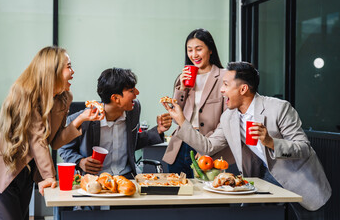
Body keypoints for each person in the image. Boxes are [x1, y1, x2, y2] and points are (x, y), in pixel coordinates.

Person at [163, 62, 331, 219]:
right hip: (266, 182)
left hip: (300, 181)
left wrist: (271, 142)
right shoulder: (229, 117)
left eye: (226, 85)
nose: (221, 90)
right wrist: (182, 121)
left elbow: (303, 148)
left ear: (243, 89)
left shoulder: (279, 108)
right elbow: (208, 146)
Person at [0, 46, 103, 220]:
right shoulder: (26, 95)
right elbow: (37, 139)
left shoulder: (63, 98)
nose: (73, 71)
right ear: (52, 71)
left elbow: (55, 141)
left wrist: (81, 118)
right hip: (0, 166)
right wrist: (49, 177)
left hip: (25, 171)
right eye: (68, 66)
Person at [58, 67, 172, 178]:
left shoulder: (134, 109)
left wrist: (158, 130)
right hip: (95, 180)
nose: (137, 93)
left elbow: (132, 143)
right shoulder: (83, 119)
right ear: (116, 98)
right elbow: (64, 148)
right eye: (131, 90)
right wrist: (80, 161)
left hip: (127, 177)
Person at [162, 28, 234, 177]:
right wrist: (181, 88)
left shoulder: (224, 77)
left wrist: (206, 145)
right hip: (181, 144)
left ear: (210, 50)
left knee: (207, 195)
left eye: (199, 49)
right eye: (189, 50)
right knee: (180, 194)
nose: (194, 55)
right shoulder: (182, 77)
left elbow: (228, 118)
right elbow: (177, 118)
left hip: (208, 144)